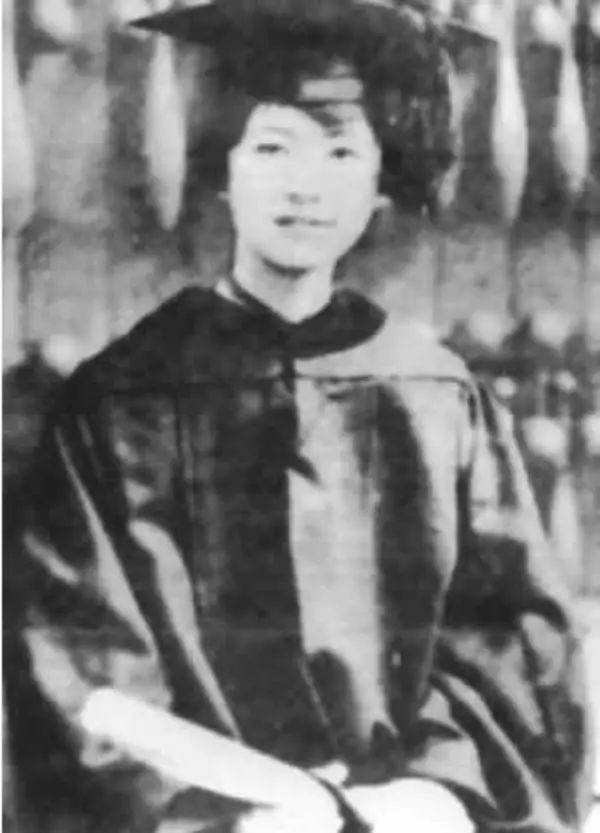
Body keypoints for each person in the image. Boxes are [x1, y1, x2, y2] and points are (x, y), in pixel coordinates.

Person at [6, 2, 593, 832]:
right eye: (272, 147)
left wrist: (434, 792)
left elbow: (512, 650)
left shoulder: (434, 396)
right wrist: (231, 812)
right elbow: (77, 670)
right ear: (223, 168)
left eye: (342, 152)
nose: (305, 185)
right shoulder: (116, 402)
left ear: (381, 178)